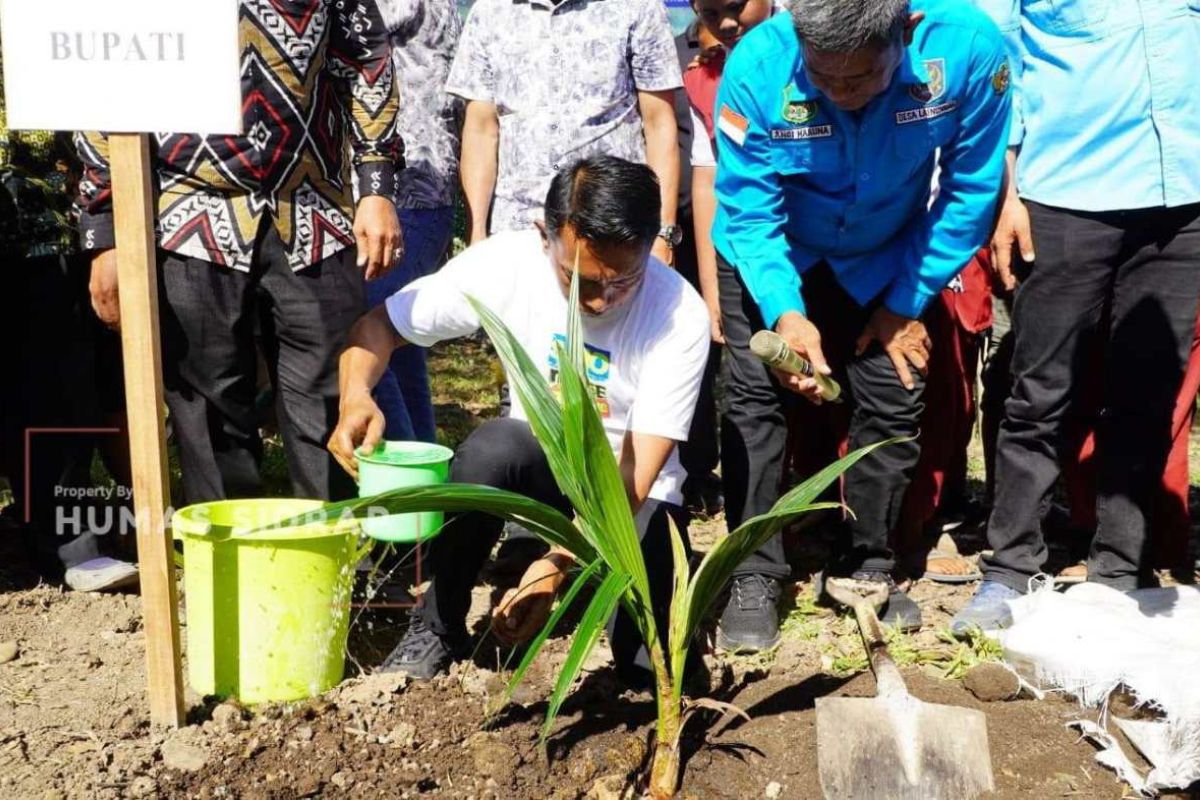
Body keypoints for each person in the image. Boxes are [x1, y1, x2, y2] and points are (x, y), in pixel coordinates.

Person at [327, 157, 710, 680]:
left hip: (632, 496)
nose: (599, 301)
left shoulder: (677, 313)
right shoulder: (505, 263)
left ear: (651, 247)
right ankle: (437, 625)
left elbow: (634, 477)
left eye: (623, 281)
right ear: (543, 235)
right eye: (579, 281)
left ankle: (606, 604)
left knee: (655, 672)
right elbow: (377, 328)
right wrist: (355, 396)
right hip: (542, 466)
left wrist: (554, 566)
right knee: (490, 450)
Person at [711, 0, 1011, 650]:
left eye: (863, 79)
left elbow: (971, 189)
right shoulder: (757, 66)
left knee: (893, 396)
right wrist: (787, 312)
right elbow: (750, 212)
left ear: (904, 31)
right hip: (772, 252)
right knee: (757, 406)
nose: (843, 96)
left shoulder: (967, 51)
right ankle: (756, 573)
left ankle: (870, 563)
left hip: (886, 255)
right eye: (825, 79)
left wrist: (905, 302)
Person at [75, 1, 403, 505]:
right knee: (207, 410)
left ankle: (340, 558)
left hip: (311, 207)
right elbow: (99, 81)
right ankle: (229, 562)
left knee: (329, 392)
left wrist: (376, 183)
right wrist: (106, 228)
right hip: (189, 214)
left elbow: (368, 59)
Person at [952, 0, 1200, 632]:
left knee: (1149, 396)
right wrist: (1006, 193)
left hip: (1184, 196)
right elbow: (999, 70)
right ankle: (1011, 566)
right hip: (1065, 194)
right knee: (1041, 393)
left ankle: (1119, 572)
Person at [0, 51, 137, 592]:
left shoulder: (34, 25)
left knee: (56, 398)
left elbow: (88, 137)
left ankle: (70, 546)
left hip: (43, 239)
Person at [448, 0, 683, 267]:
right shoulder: (489, 11)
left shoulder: (639, 7)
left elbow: (659, 125)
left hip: (613, 231)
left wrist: (663, 234)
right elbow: (481, 130)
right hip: (516, 230)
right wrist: (476, 232)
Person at [369, 0, 464, 444]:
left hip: (408, 189)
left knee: (365, 337)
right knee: (398, 337)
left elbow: (344, 26)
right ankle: (425, 480)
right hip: (412, 190)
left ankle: (404, 482)